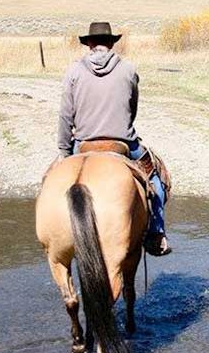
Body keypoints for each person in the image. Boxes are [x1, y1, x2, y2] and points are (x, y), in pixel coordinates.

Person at [57, 22, 171, 256]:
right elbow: (132, 107)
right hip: (123, 143)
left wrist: (64, 151)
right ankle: (156, 233)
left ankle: (55, 238)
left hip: (83, 144)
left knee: (52, 180)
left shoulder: (74, 71)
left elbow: (65, 116)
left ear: (89, 43)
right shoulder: (128, 69)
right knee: (156, 179)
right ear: (111, 43)